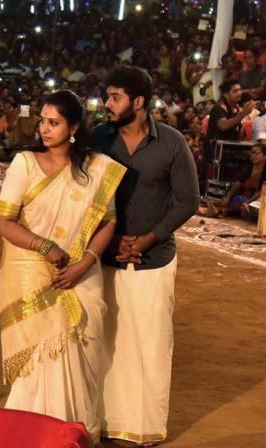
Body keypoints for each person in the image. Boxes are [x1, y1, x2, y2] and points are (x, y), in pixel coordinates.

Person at [0, 90, 126, 442]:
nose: (44, 129)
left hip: (81, 275)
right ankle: (32, 434)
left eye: (54, 123)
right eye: (42, 121)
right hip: (31, 272)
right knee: (38, 358)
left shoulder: (96, 169)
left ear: (73, 127)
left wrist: (84, 263)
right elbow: (5, 222)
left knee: (79, 352)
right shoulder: (24, 162)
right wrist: (45, 246)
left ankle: (72, 432)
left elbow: (108, 223)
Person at [92, 65, 199, 446]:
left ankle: (144, 429)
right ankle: (103, 424)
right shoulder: (98, 140)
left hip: (156, 260)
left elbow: (189, 201)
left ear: (138, 102)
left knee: (151, 343)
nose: (107, 103)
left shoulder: (172, 143)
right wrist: (114, 239)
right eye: (107, 96)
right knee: (106, 341)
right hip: (104, 257)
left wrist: (148, 239)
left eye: (115, 97)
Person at [203, 80, 258, 189]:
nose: (239, 93)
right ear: (225, 94)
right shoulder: (218, 108)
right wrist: (243, 114)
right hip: (216, 150)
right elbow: (223, 125)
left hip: (232, 149)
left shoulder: (237, 108)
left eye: (240, 90)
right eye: (235, 91)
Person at [209, 144, 266, 217]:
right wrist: (228, 198)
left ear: (264, 156)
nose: (253, 155)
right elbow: (238, 183)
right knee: (230, 201)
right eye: (252, 153)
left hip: (254, 200)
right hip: (240, 197)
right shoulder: (248, 168)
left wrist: (248, 202)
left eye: (256, 153)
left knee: (244, 206)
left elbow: (262, 191)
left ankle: (222, 212)